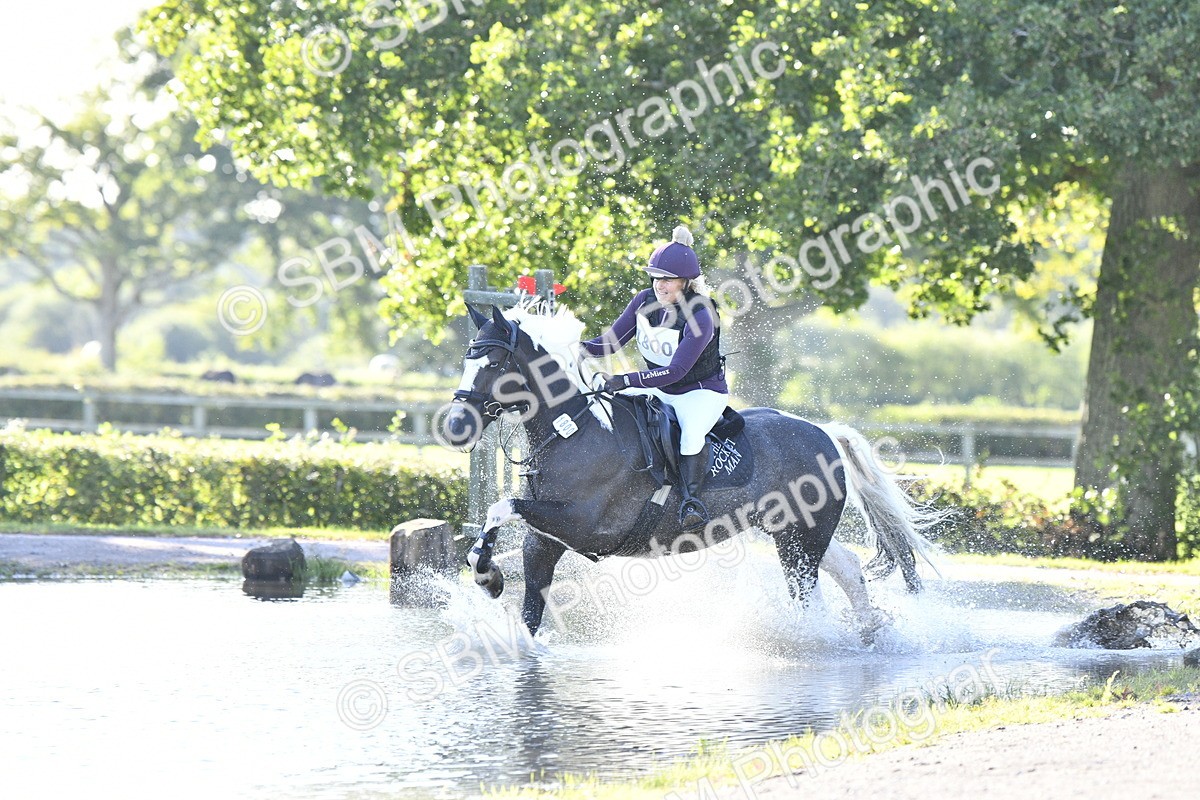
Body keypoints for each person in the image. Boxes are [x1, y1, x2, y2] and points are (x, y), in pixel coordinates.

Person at [580, 225, 728, 532]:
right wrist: (573, 347)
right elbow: (609, 343)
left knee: (691, 435)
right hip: (659, 388)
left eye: (668, 279)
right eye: (656, 277)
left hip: (700, 392)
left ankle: (691, 502)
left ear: (686, 282)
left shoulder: (701, 315)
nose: (660, 284)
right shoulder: (643, 301)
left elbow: (677, 371)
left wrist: (626, 380)